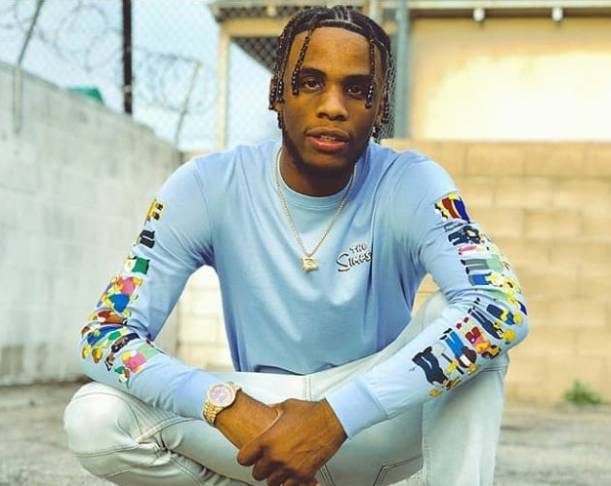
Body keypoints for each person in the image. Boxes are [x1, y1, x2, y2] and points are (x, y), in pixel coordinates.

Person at [63, 6, 529, 486]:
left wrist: (334, 417)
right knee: (97, 418)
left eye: (357, 89)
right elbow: (104, 334)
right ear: (277, 94)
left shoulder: (412, 183)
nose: (333, 106)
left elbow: (501, 306)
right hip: (259, 428)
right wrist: (223, 404)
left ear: (380, 107)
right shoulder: (206, 186)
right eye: (310, 82)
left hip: (374, 425)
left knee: (469, 323)